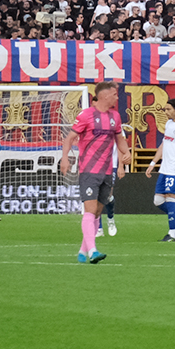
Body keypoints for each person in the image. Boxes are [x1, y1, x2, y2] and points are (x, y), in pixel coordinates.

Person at [60, 82, 129, 264]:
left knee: (98, 212)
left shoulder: (115, 116)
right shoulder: (86, 115)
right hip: (89, 170)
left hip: (107, 170)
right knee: (90, 210)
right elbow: (69, 138)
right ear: (105, 96)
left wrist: (126, 152)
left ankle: (83, 252)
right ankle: (92, 251)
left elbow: (119, 138)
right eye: (115, 94)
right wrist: (65, 158)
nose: (117, 97)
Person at [145, 99, 175, 242]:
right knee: (158, 200)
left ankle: (171, 234)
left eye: (168, 109)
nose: (165, 112)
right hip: (165, 168)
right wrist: (153, 162)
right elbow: (164, 143)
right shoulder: (169, 124)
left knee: (170, 198)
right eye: (164, 109)